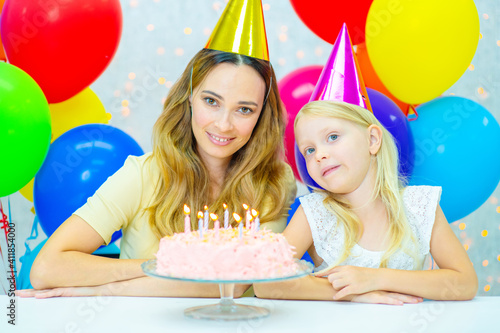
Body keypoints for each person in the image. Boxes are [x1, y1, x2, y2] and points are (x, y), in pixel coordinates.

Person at [17, 0, 296, 298]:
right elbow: (46, 269)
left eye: (244, 110)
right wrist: (155, 267)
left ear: (261, 116)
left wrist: (108, 290)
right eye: (211, 101)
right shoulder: (144, 174)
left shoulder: (274, 181)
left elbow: (233, 285)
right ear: (189, 97)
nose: (223, 125)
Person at [254, 100, 478, 304]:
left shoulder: (419, 205)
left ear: (372, 140)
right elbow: (265, 282)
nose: (319, 154)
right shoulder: (314, 212)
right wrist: (353, 292)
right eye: (309, 150)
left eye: (332, 137)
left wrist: (375, 278)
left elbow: (465, 283)